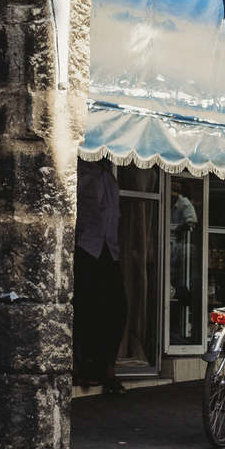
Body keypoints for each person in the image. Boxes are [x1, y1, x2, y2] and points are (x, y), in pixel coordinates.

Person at [72, 157, 127, 394]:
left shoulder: (110, 178)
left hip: (109, 250)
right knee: (85, 309)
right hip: (87, 247)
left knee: (117, 309)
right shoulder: (82, 174)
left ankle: (106, 365)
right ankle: (82, 366)